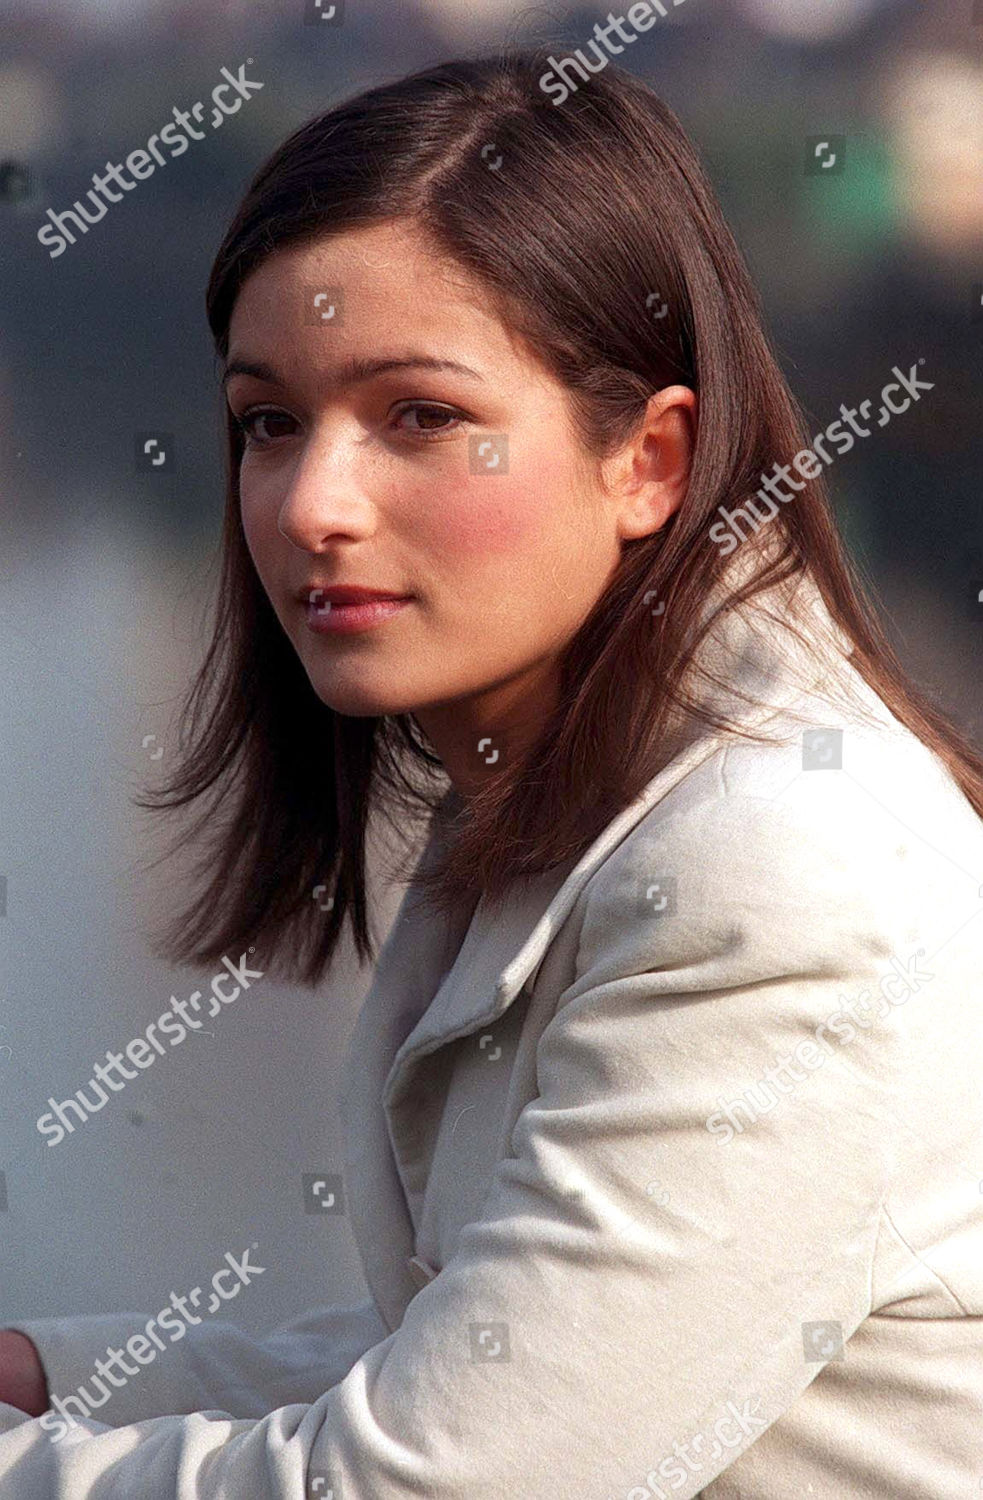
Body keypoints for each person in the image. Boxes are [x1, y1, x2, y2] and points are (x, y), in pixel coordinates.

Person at [2, 46, 982, 1498]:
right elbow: (501, 1352)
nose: (313, 506)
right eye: (270, 421)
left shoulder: (782, 869)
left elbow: (436, 1479)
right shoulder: (571, 798)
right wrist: (48, 1377)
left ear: (648, 461)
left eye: (421, 417)